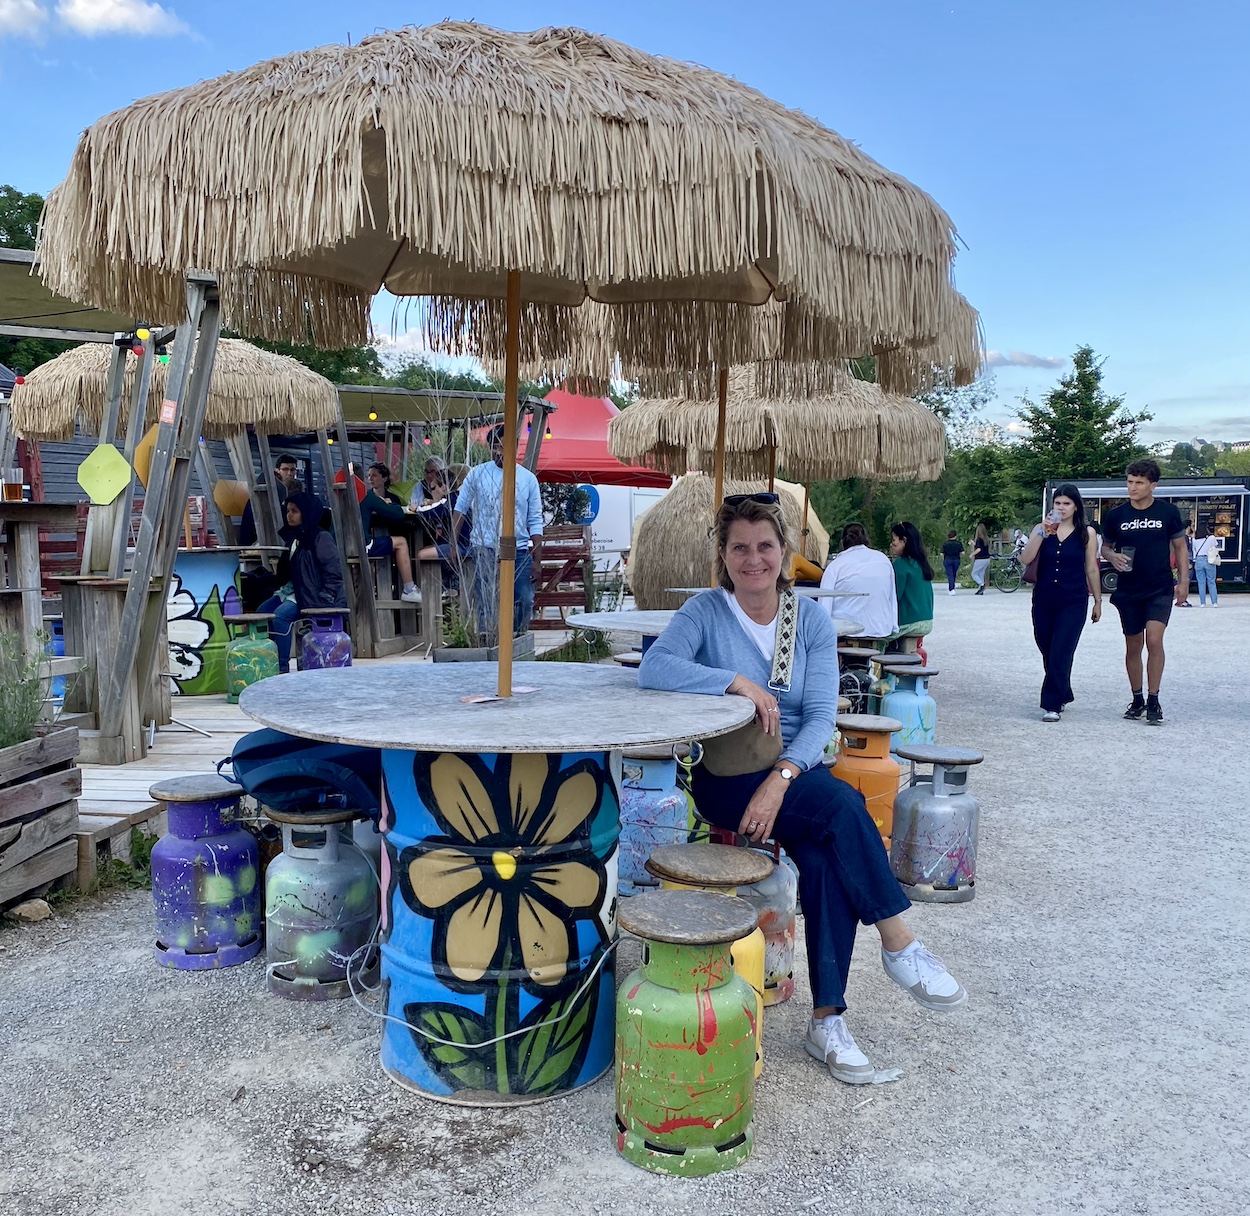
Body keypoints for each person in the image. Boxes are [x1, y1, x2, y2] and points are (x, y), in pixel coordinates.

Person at [638, 493, 966, 1085]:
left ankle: (827, 1020)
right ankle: (898, 941)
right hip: (726, 779)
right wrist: (733, 680)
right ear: (723, 554)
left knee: (823, 853)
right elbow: (654, 668)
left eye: (765, 546)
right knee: (842, 805)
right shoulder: (705, 613)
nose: (753, 559)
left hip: (790, 777)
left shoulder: (807, 619)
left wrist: (781, 780)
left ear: (785, 553)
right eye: (740, 547)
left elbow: (819, 717)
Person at [1101, 460, 1187, 725]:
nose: (1133, 487)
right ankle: (1136, 697)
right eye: (1129, 481)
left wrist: (1183, 582)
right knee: (1133, 645)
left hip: (1159, 587)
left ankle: (1154, 699)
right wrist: (1112, 556)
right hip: (1128, 589)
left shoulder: (1168, 512)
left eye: (1139, 482)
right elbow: (1105, 547)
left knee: (1154, 640)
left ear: (1153, 485)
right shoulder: (1116, 516)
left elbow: (1181, 548)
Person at [1019, 484, 1101, 722]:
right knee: (1047, 647)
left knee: (1061, 650)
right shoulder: (1041, 529)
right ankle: (1063, 690)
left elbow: (1091, 569)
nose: (1062, 508)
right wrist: (1042, 532)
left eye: (1067, 503)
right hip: (1044, 598)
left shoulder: (1087, 533)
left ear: (1076, 507)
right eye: (1058, 503)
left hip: (1073, 600)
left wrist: (1097, 601)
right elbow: (1026, 558)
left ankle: (1051, 704)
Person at [452, 424, 544, 638]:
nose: (499, 452)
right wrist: (454, 544)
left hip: (517, 547)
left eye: (503, 447)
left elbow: (535, 520)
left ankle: (516, 640)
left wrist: (538, 560)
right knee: (486, 600)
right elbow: (460, 508)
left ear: (513, 448)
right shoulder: (477, 474)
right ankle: (489, 643)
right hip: (484, 546)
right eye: (495, 446)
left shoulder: (527, 479)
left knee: (524, 598)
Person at [258, 491, 345, 674]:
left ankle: (280, 668)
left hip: (310, 594)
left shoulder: (320, 537)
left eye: (294, 511)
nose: (289, 515)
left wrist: (326, 595)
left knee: (281, 616)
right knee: (262, 612)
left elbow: (334, 571)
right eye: (288, 511)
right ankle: (267, 661)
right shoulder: (294, 538)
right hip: (291, 591)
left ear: (306, 512)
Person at [819, 522, 898, 639]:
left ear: (842, 542)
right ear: (866, 539)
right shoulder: (883, 560)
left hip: (846, 632)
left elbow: (824, 605)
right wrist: (893, 626)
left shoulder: (836, 566)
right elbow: (892, 599)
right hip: (881, 630)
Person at [359, 463, 421, 603]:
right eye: (368, 476)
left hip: (353, 544)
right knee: (401, 543)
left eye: (374, 475)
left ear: (385, 478)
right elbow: (397, 513)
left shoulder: (340, 495)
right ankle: (409, 589)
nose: (370, 479)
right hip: (366, 543)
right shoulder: (368, 496)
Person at [888, 522, 935, 644]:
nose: (891, 545)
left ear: (904, 541)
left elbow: (894, 596)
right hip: (927, 620)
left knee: (876, 637)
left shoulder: (901, 564)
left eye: (894, 540)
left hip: (910, 622)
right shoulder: (920, 563)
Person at [1192, 525, 1221, 606]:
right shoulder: (1211, 538)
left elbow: (1194, 551)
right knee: (1211, 581)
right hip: (1209, 559)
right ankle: (1214, 602)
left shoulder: (1194, 540)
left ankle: (1202, 603)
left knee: (1201, 582)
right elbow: (1215, 547)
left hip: (1198, 560)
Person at [940, 530, 964, 596]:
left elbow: (941, 553)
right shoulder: (958, 543)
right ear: (955, 536)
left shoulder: (945, 543)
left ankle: (951, 589)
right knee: (954, 574)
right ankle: (952, 587)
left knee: (949, 574)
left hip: (947, 560)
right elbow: (962, 552)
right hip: (956, 560)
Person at [970, 524, 992, 596]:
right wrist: (974, 543)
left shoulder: (979, 539)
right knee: (981, 574)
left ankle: (982, 585)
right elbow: (980, 546)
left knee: (974, 574)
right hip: (987, 558)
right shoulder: (986, 539)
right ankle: (980, 590)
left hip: (980, 559)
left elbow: (979, 549)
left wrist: (972, 554)